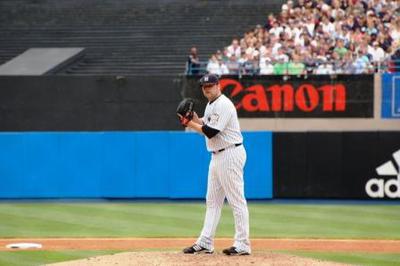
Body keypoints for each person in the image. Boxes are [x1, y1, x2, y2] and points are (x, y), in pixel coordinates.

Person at [181, 74, 251, 256]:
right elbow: (206, 125)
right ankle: (205, 242)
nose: (206, 89)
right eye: (204, 86)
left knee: (236, 200)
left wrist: (190, 124)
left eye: (210, 85)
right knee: (212, 201)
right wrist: (196, 119)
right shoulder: (211, 104)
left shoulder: (224, 104)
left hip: (230, 153)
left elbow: (211, 132)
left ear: (218, 86)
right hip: (217, 156)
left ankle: (243, 244)